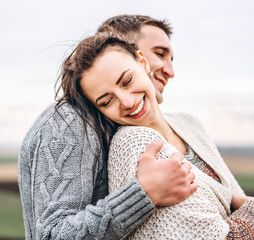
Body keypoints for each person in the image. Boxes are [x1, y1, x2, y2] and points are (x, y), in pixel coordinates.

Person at [58, 31, 254, 239]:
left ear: (142, 62)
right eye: (106, 101)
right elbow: (231, 223)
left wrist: (246, 213)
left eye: (127, 81)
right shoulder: (132, 144)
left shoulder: (190, 124)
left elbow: (236, 198)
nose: (127, 102)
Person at [18, 15, 197, 240]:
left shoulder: (122, 121)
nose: (170, 70)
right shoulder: (70, 120)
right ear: (132, 54)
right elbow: (52, 235)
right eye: (159, 54)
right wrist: (144, 193)